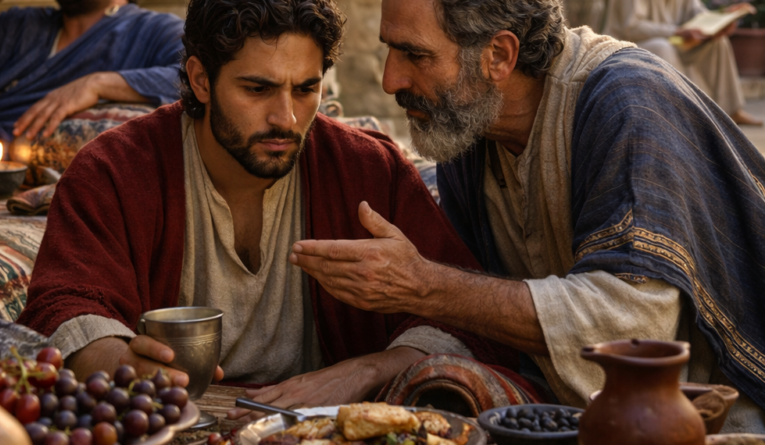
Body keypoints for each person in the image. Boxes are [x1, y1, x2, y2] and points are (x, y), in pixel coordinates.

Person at [17, 0, 537, 421]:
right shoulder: (114, 169)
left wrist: (368, 370)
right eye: (257, 88)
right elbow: (64, 304)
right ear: (200, 80)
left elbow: (457, 315)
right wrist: (120, 362)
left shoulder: (368, 169)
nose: (286, 118)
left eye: (305, 89)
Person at [289, 0, 765, 432]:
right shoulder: (468, 128)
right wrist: (371, 367)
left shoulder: (624, 102)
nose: (391, 79)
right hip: (584, 409)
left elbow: (632, 331)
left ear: (498, 55)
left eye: (415, 55)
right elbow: (473, 301)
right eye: (391, 52)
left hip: (710, 420)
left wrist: (424, 285)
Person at [0, 0, 184, 159]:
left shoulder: (153, 30)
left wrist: (98, 84)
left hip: (6, 157)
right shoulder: (19, 25)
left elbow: (197, 77)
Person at [603, 0, 762, 126]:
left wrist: (722, 19)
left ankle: (730, 111)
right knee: (663, 47)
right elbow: (631, 27)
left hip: (674, 40)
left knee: (718, 43)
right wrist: (676, 31)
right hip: (629, 44)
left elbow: (698, 15)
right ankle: (679, 111)